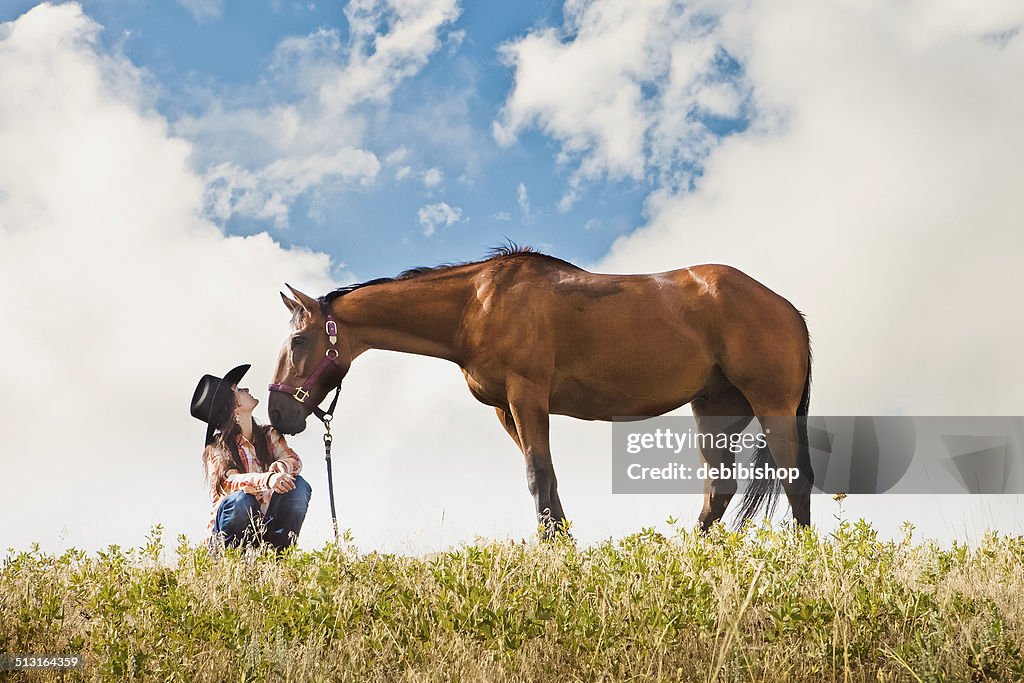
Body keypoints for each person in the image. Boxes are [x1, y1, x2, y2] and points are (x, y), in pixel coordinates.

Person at [190, 364, 312, 551]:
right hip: (229, 535)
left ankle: (277, 556)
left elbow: (293, 460)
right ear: (234, 410)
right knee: (241, 501)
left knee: (298, 486)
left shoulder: (268, 435)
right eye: (238, 390)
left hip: (265, 529)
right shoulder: (216, 449)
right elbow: (228, 482)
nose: (246, 389)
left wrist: (282, 466)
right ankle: (232, 560)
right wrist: (268, 479)